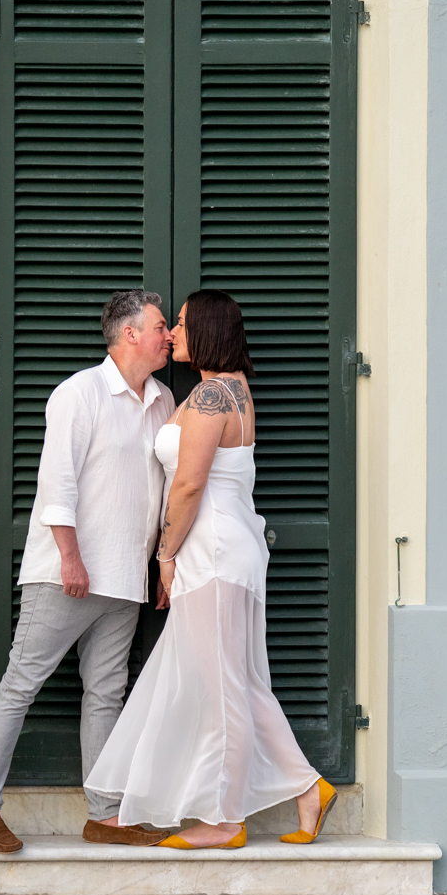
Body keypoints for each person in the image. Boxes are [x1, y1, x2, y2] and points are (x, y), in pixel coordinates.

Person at [84, 289, 336, 848]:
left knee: (222, 686)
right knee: (238, 682)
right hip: (232, 546)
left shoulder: (209, 398)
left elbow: (190, 484)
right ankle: (307, 789)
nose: (172, 332)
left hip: (212, 550)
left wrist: (165, 558)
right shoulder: (234, 392)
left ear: (207, 330)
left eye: (179, 323)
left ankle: (225, 820)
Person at [0, 290, 176, 853]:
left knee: (106, 693)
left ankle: (103, 815)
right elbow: (56, 483)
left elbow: (159, 494)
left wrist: (160, 565)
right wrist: (70, 558)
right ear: (129, 333)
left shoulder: (162, 400)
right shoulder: (78, 393)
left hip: (127, 577)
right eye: (160, 325)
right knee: (20, 685)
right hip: (68, 575)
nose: (169, 335)